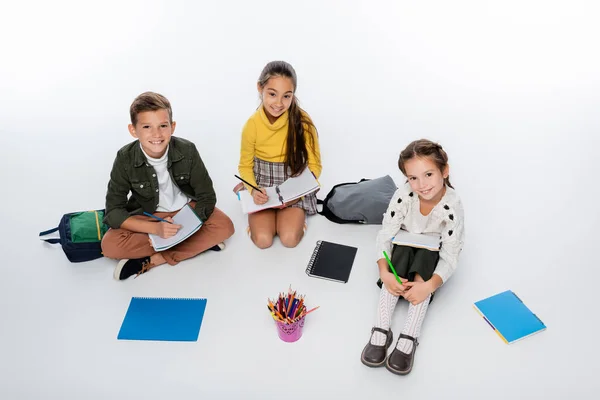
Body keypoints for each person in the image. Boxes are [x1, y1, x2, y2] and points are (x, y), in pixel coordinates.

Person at [101, 91, 234, 280]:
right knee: (110, 244)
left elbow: (206, 196)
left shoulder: (187, 150)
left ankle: (156, 259)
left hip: (186, 210)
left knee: (225, 227)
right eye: (147, 126)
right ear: (133, 130)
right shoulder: (125, 158)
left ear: (172, 126)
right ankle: (196, 243)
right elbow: (113, 212)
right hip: (149, 216)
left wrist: (188, 224)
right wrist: (156, 229)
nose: (156, 134)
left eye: (163, 126)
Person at [360, 139, 465, 375]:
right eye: (413, 178)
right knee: (397, 260)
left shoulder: (452, 207)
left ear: (444, 171)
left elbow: (450, 253)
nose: (421, 184)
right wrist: (384, 272)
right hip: (405, 242)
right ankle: (381, 329)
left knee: (425, 264)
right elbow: (386, 232)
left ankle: (409, 337)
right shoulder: (404, 195)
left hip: (431, 249)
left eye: (428, 174)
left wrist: (428, 286)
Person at [236, 61, 322, 249]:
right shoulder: (252, 125)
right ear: (260, 89)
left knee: (289, 239)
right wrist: (253, 190)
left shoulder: (303, 121)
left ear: (293, 95)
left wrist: (296, 192)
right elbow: (245, 166)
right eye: (272, 94)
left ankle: (296, 219)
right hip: (264, 185)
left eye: (286, 96)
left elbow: (315, 166)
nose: (278, 103)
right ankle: (248, 197)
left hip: (292, 184)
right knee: (263, 240)